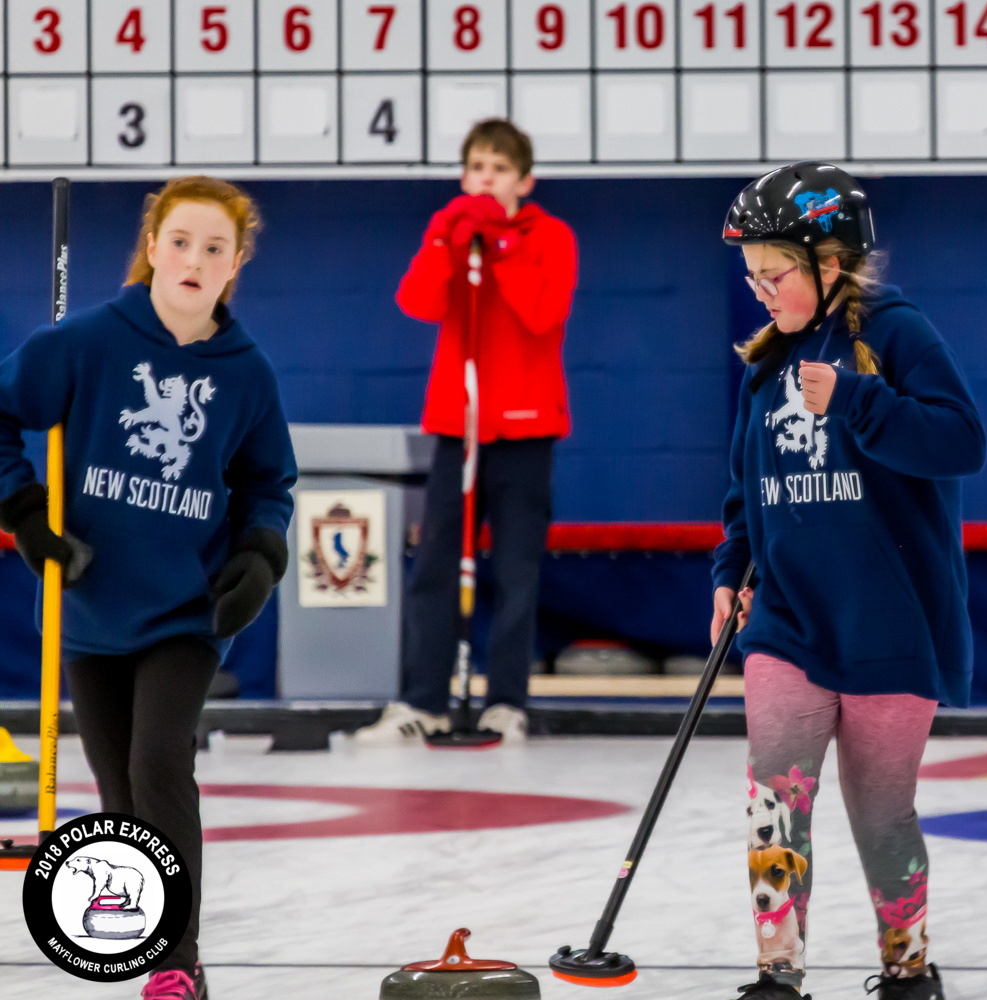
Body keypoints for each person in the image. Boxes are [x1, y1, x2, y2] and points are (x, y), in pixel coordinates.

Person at [0, 176, 297, 999]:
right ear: (153, 248)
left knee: (159, 763)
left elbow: (268, 483)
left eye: (215, 248)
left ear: (235, 263)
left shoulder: (246, 373)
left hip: (186, 609)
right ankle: (146, 924)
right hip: (89, 604)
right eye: (182, 242)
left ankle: (177, 963)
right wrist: (25, 514)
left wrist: (260, 554)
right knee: (121, 792)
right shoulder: (86, 341)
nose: (195, 260)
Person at [711, 162, 986, 1000]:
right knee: (775, 798)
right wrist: (730, 572)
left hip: (890, 627)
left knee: (880, 813)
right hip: (788, 624)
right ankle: (778, 972)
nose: (761, 292)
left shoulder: (897, 332)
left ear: (831, 263)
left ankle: (907, 967)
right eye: (752, 276)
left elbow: (961, 442)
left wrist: (859, 401)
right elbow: (746, 492)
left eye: (775, 274)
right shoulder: (767, 363)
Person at [356, 118, 578, 745]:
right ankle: (423, 701)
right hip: (460, 427)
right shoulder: (453, 231)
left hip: (526, 431)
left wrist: (500, 246)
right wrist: (445, 239)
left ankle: (505, 701)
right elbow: (418, 302)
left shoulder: (551, 236)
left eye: (500, 169)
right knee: (435, 564)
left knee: (515, 571)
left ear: (524, 182)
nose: (486, 179)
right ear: (462, 176)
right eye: (477, 167)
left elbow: (543, 314)